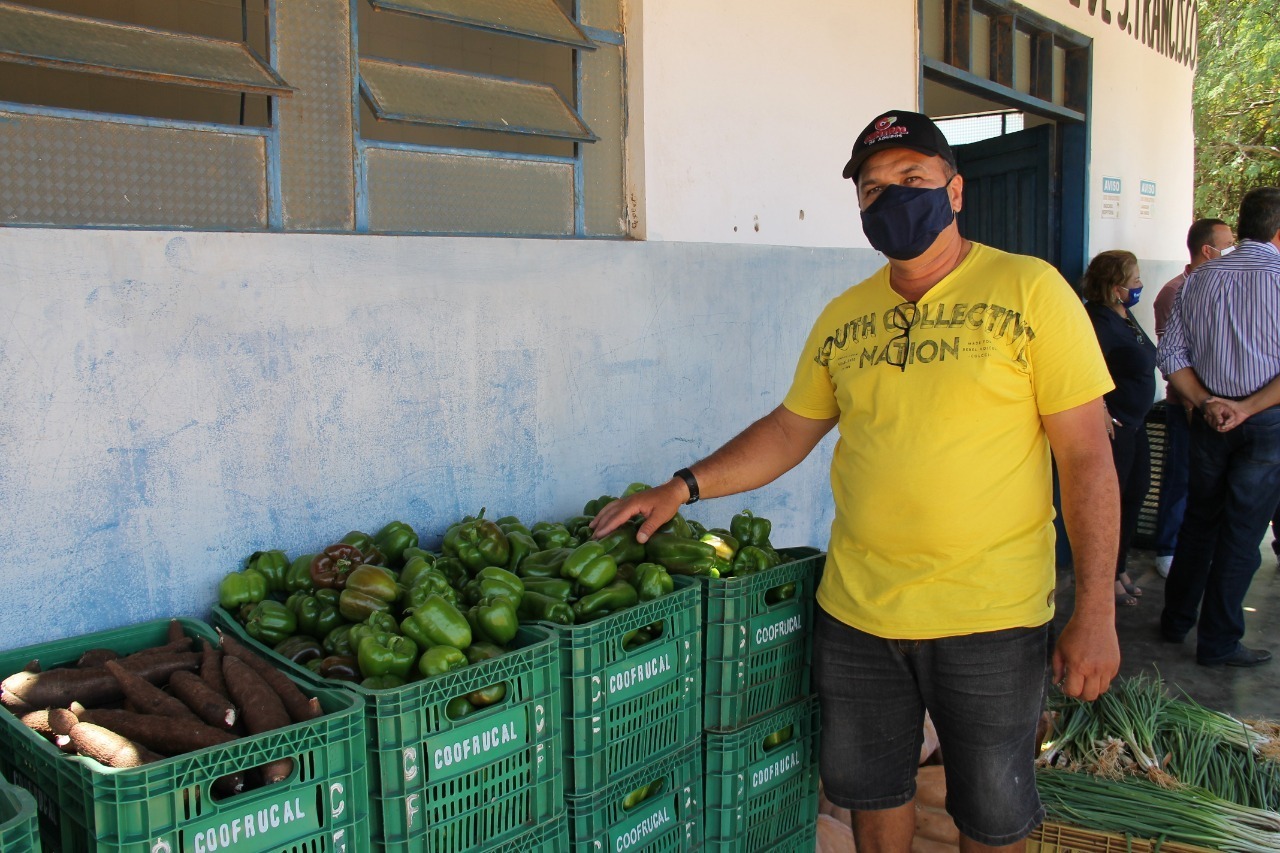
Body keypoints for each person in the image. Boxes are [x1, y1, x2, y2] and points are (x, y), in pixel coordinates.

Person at [591, 109, 1121, 852]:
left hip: (990, 618)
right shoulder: (846, 315)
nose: (892, 199)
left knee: (994, 819)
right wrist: (684, 485)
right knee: (874, 798)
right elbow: (789, 429)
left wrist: (1095, 607)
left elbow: (1088, 458)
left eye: (912, 180)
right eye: (874, 189)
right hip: (859, 615)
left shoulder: (1029, 291)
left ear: (956, 190)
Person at [1157, 186, 1280, 668]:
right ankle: (1219, 641)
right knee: (1242, 533)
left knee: (1200, 519)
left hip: (1209, 419)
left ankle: (1175, 620)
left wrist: (1210, 402)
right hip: (1265, 420)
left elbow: (1170, 356)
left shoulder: (1198, 279)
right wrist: (1247, 407)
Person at [1151, 219, 1236, 578]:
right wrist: (1193, 403)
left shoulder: (1222, 285)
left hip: (1219, 405)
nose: (1235, 250)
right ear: (1208, 250)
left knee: (1213, 484)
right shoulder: (1176, 291)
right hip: (1188, 405)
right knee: (1181, 477)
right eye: (1229, 244)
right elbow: (1175, 357)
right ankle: (1168, 549)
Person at [1082, 250, 1157, 607]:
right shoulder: (1097, 321)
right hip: (1116, 428)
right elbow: (1081, 370)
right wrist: (1101, 410)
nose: (1139, 285)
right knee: (1110, 503)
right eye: (1134, 280)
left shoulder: (1124, 315)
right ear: (1115, 288)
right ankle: (1104, 578)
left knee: (1135, 494)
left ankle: (1120, 567)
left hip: (1136, 424)